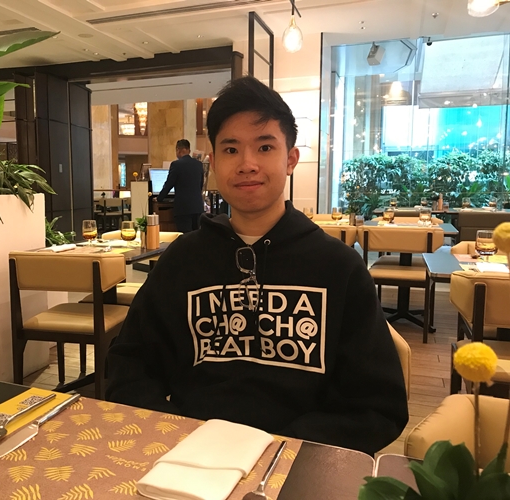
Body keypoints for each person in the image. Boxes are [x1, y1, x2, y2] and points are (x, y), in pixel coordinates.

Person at [106, 76, 408, 456]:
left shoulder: (338, 267)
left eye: (265, 147)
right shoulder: (182, 260)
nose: (247, 164)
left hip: (299, 460)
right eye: (231, 149)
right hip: (191, 458)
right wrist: (175, 435)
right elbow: (129, 365)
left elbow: (378, 406)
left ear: (290, 159)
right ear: (213, 163)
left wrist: (281, 449)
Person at [156, 139, 204, 233]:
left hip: (183, 208)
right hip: (197, 207)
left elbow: (169, 184)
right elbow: (201, 185)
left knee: (185, 236)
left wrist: (159, 198)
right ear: (189, 150)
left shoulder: (176, 165)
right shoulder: (199, 164)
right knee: (196, 236)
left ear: (178, 150)